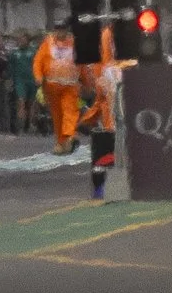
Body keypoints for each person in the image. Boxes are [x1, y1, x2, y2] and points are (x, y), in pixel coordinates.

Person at [85, 24, 123, 201]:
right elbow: (97, 92)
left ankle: (106, 186)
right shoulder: (102, 68)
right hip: (111, 119)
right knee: (105, 149)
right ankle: (100, 186)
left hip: (124, 117)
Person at [32, 15, 80, 151]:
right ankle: (61, 142)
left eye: (63, 29)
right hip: (51, 85)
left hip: (70, 84)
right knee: (57, 115)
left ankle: (70, 136)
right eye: (58, 29)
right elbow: (38, 61)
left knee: (69, 110)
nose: (60, 32)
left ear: (67, 30)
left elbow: (81, 63)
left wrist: (86, 81)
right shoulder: (48, 43)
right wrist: (38, 76)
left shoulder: (73, 43)